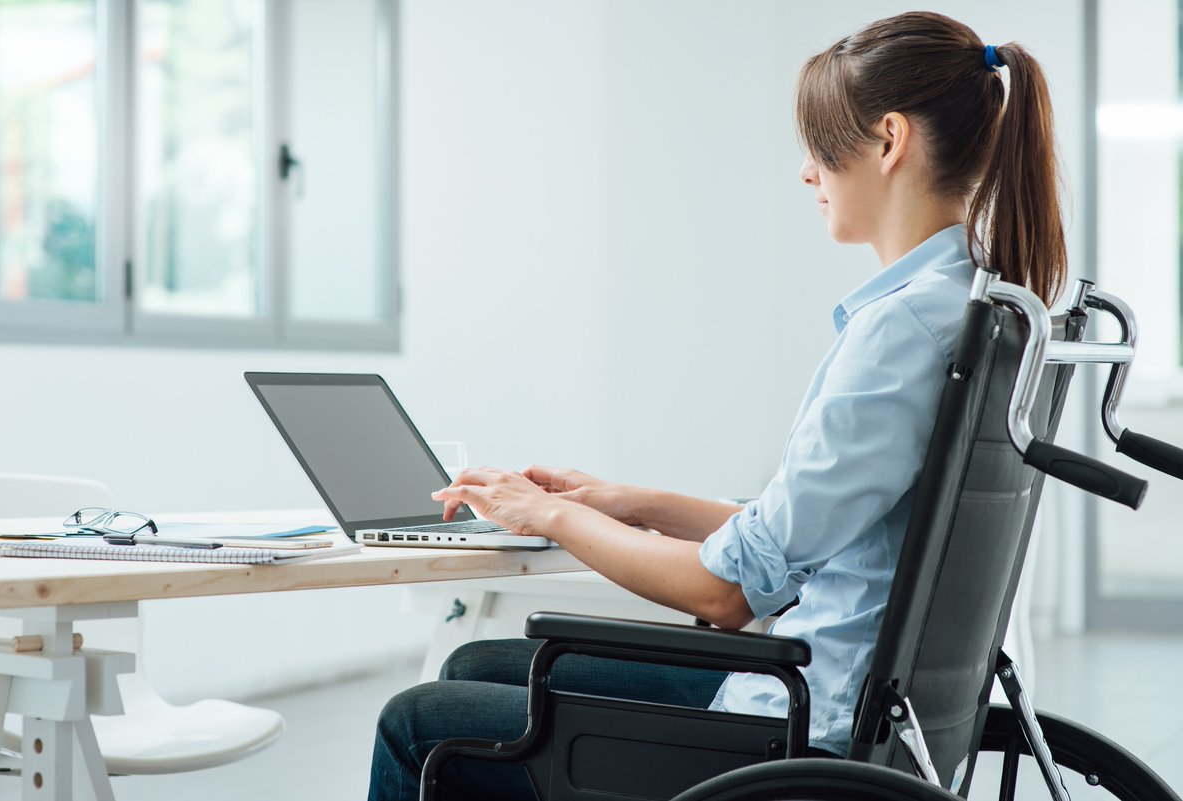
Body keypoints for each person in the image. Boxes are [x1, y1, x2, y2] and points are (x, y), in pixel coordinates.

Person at [368, 11, 1067, 800]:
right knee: (475, 667)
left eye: (820, 143)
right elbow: (796, 532)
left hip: (802, 725)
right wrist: (621, 501)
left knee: (419, 720)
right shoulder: (980, 307)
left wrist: (551, 515)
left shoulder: (900, 331)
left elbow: (724, 595)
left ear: (888, 140)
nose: (807, 171)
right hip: (860, 704)